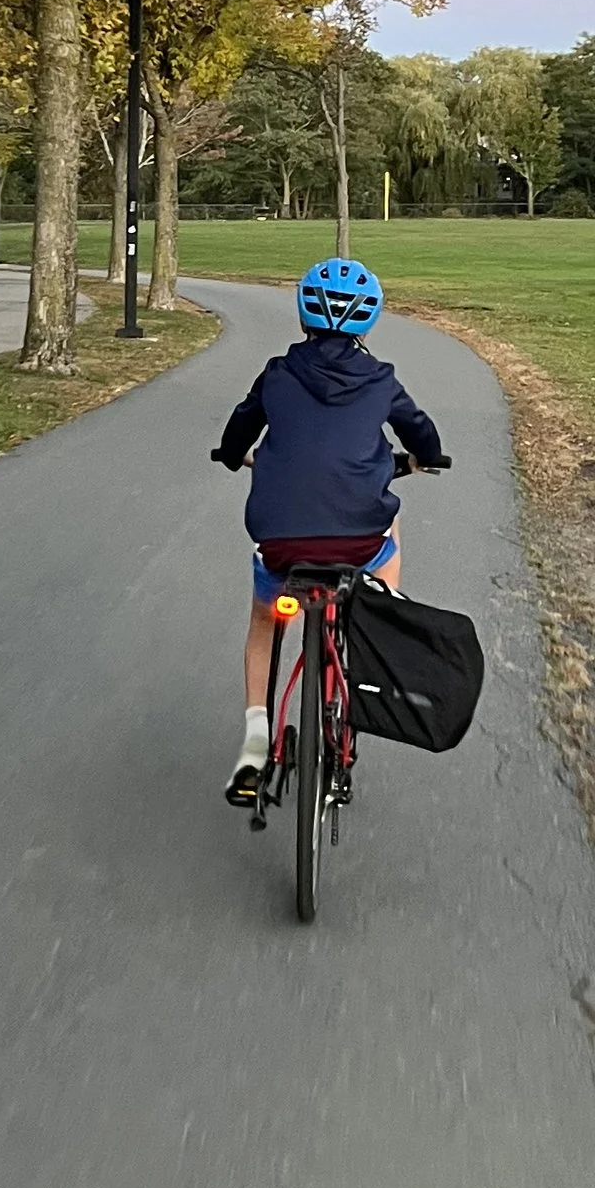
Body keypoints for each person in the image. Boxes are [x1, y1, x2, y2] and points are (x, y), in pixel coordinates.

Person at [211, 257, 445, 809]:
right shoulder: (381, 379)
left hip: (284, 545)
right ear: (369, 321)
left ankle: (254, 741)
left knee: (266, 621)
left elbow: (237, 433)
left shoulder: (277, 374)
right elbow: (424, 437)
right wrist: (421, 459)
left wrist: (230, 456)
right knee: (388, 524)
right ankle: (377, 618)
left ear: (301, 316)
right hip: (358, 544)